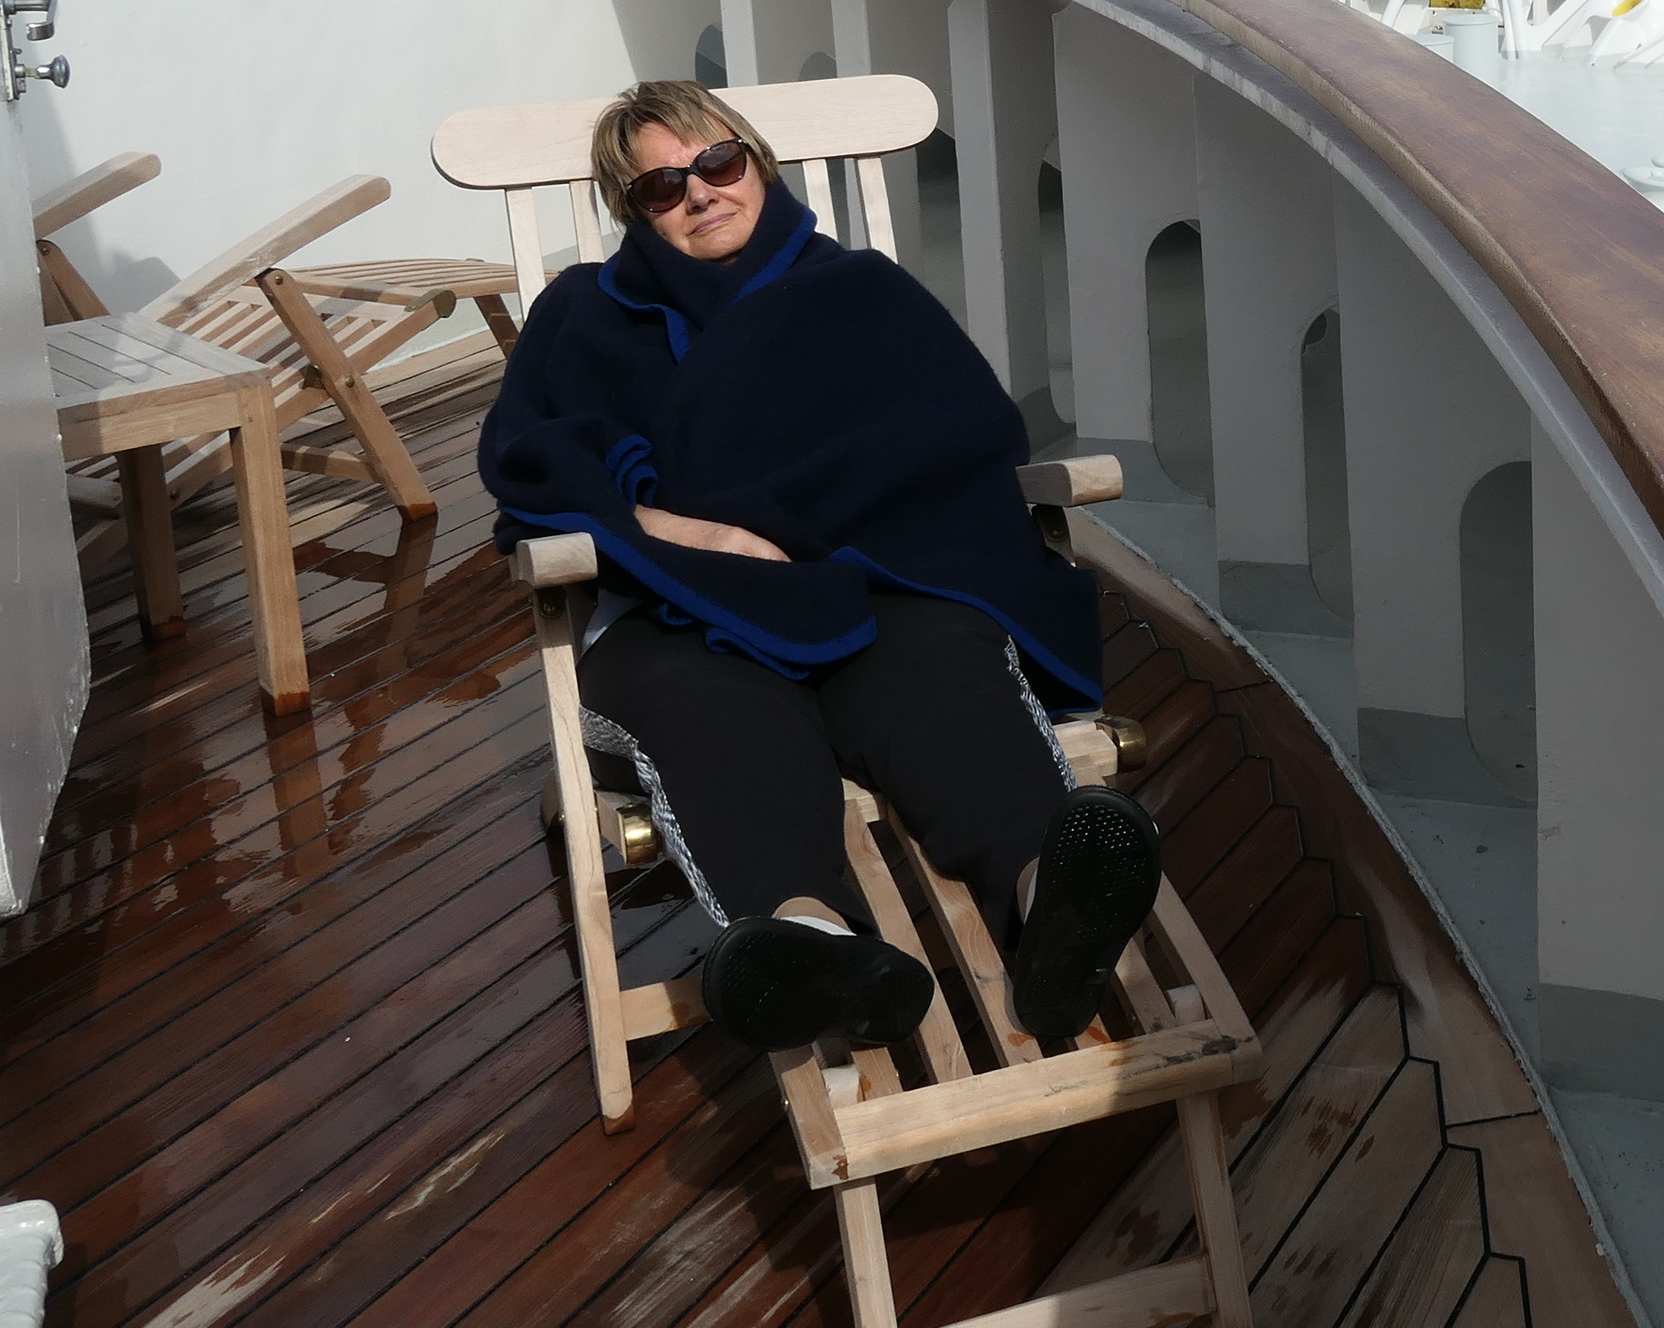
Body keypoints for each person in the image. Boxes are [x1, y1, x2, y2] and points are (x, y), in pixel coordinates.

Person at [481, 79, 1159, 1053]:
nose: (700, 192)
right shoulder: (582, 314)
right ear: (633, 211)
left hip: (869, 576)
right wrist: (687, 531)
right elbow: (532, 457)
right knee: (717, 711)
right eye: (662, 187)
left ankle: (1049, 902)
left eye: (717, 162)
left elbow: (958, 435)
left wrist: (845, 529)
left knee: (938, 668)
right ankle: (816, 952)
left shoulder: (860, 291)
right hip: (674, 600)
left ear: (756, 162)